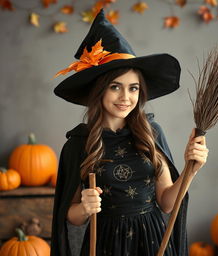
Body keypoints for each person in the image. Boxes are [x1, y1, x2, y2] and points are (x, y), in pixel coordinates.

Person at [51, 8, 208, 256]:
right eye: (115, 87)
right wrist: (84, 207)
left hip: (154, 241)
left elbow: (167, 203)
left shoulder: (150, 133)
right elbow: (71, 216)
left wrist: (192, 169)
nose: (126, 98)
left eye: (133, 88)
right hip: (105, 245)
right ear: (99, 90)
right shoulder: (78, 144)